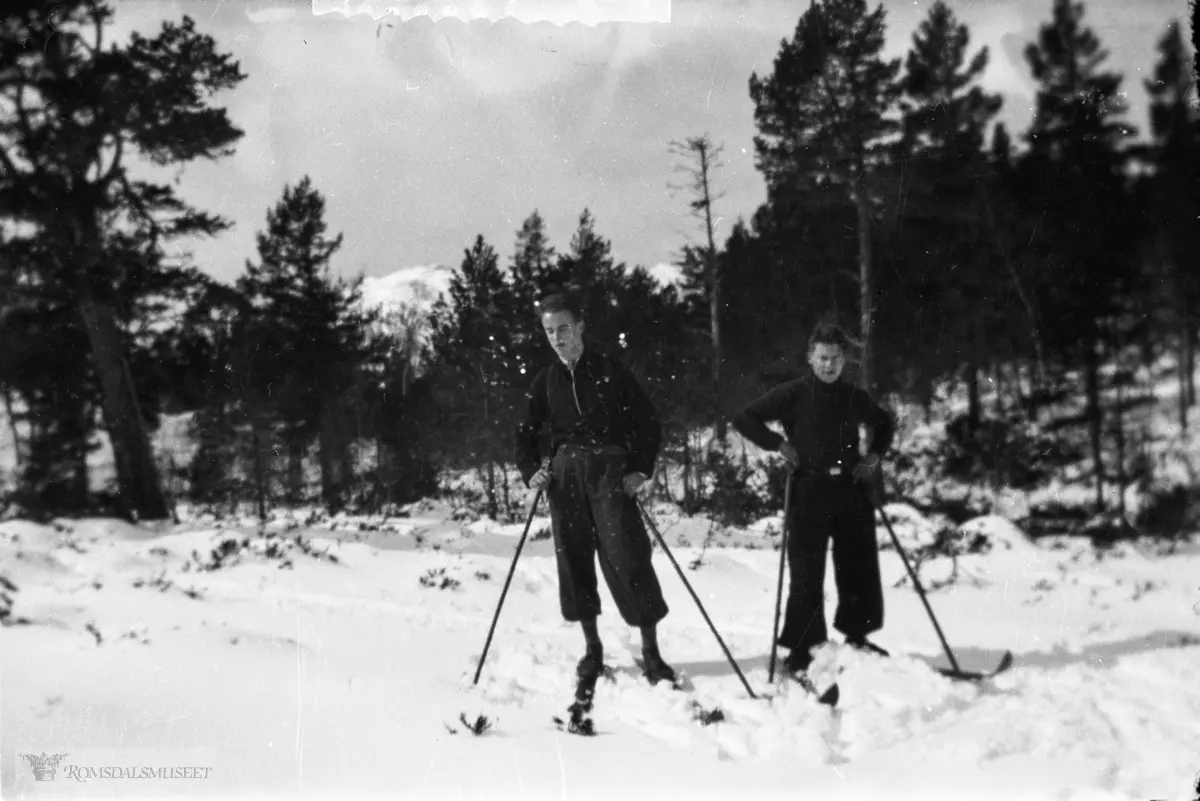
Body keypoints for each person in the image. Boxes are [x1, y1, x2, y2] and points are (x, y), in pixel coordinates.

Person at [514, 290, 676, 686]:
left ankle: (651, 654)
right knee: (573, 560)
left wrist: (639, 468)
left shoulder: (609, 370)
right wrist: (531, 471)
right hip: (564, 478)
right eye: (549, 331)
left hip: (609, 474)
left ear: (581, 327)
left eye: (564, 328)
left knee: (628, 557)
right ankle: (592, 650)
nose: (557, 337)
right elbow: (524, 433)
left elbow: (647, 422)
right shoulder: (544, 381)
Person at [731, 320, 896, 675]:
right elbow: (745, 418)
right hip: (808, 489)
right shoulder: (792, 393)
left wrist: (874, 455)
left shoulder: (854, 396)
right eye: (822, 357)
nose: (829, 364)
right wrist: (778, 444)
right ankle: (804, 648)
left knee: (858, 565)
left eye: (835, 358)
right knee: (806, 571)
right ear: (810, 358)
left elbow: (883, 423)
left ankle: (857, 636)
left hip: (851, 488)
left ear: (844, 360)